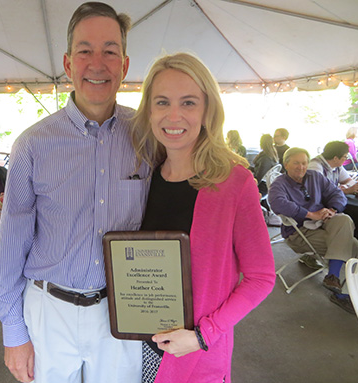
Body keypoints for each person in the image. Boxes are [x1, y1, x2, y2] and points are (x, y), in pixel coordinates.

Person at [0, 3, 149, 383]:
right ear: (68, 63)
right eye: (84, 51)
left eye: (110, 51)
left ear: (124, 65)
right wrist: (14, 331)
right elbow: (12, 241)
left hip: (122, 310)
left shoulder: (148, 137)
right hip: (48, 312)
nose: (98, 63)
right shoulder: (33, 145)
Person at [131, 52, 275, 383]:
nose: (174, 115)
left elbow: (261, 277)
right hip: (134, 347)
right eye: (162, 102)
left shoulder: (234, 182)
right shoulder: (143, 174)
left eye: (189, 103)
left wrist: (202, 335)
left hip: (195, 356)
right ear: (149, 110)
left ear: (208, 110)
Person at [268, 147, 358, 314]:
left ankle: (332, 277)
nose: (301, 167)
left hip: (324, 222)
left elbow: (337, 193)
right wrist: (310, 214)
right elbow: (278, 203)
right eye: (296, 163)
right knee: (352, 245)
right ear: (286, 164)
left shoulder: (315, 177)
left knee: (344, 219)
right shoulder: (280, 184)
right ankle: (339, 294)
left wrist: (331, 209)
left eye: (304, 163)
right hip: (299, 232)